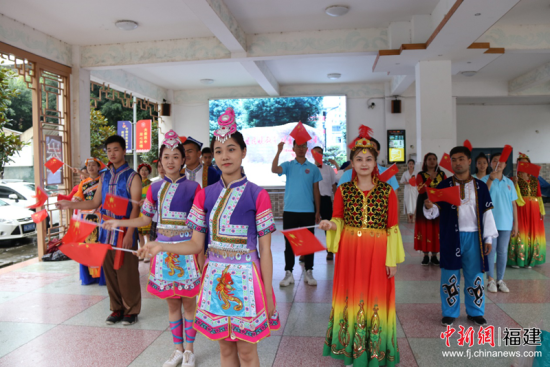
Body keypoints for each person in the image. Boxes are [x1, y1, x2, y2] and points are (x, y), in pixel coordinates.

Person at [138, 108, 280, 367]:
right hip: (214, 278)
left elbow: (266, 251)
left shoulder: (258, 195)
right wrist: (159, 245)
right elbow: (195, 244)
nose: (224, 156)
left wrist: (269, 293)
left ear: (243, 152)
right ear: (212, 156)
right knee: (225, 352)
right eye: (218, 151)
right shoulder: (204, 195)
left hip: (247, 279)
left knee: (247, 353)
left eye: (231, 149)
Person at [104, 130, 202, 367]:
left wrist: (201, 255)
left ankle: (189, 351)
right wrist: (120, 222)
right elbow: (145, 219)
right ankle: (176, 349)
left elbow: (201, 228)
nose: (171, 161)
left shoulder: (194, 189)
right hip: (163, 252)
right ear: (160, 161)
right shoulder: (155, 189)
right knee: (171, 303)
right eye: (166, 156)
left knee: (188, 303)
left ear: (183, 160)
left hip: (186, 253)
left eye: (176, 156)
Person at [319, 125, 405, 365]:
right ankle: (351, 348)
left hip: (379, 251)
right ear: (352, 163)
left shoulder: (387, 191)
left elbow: (392, 227)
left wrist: (392, 260)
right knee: (351, 293)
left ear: (376, 162)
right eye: (359, 159)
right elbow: (338, 220)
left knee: (376, 295)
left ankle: (376, 350)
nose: (364, 163)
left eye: (369, 159)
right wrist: (329, 225)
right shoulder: (344, 190)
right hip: (350, 251)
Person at [57, 135, 142, 326]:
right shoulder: (104, 176)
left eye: (116, 149)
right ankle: (117, 308)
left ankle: (131, 310)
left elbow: (136, 207)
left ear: (124, 151)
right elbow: (96, 202)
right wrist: (69, 204)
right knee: (110, 272)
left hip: (124, 230)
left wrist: (130, 233)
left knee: (127, 272)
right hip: (105, 230)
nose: (112, 153)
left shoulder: (132, 176)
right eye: (109, 150)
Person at [423, 146, 498, 327]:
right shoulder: (443, 186)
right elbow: (433, 214)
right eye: (454, 159)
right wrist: (428, 206)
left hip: (475, 237)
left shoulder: (480, 186)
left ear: (469, 161)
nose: (457, 163)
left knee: (475, 276)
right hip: (451, 237)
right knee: (449, 275)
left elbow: (487, 213)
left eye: (461, 159)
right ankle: (450, 312)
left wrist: (488, 239)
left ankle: (475, 312)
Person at [272, 138, 322, 287]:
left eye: (303, 145)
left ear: (307, 148)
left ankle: (309, 271)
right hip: (290, 211)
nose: (301, 148)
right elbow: (274, 169)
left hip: (308, 211)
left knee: (308, 244)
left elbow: (316, 190)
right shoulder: (288, 165)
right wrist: (278, 151)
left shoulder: (313, 168)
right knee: (289, 244)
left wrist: (318, 210)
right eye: (298, 146)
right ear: (293, 148)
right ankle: (288, 273)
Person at [481, 152, 518, 293]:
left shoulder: (509, 183)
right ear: (491, 163)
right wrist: (491, 179)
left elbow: (514, 205)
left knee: (502, 252)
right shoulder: (485, 179)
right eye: (495, 160)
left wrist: (516, 224)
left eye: (501, 161)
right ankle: (490, 280)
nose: (498, 163)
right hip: (490, 223)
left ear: (505, 164)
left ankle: (500, 280)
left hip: (506, 224)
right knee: (490, 252)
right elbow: (483, 195)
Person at [508, 153, 546, 268]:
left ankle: (531, 259)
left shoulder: (535, 181)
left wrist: (542, 210)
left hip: (534, 210)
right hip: (520, 208)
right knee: (520, 231)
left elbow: (539, 196)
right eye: (521, 163)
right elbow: (511, 195)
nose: (524, 165)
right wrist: (514, 183)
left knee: (533, 232)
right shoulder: (513, 179)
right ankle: (517, 260)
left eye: (526, 163)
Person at [72, 157, 106, 286]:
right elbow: (78, 198)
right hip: (86, 218)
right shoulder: (83, 183)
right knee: (87, 246)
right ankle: (89, 277)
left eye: (93, 165)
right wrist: (72, 203)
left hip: (100, 218)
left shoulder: (103, 181)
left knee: (99, 245)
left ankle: (101, 277)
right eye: (89, 165)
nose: (91, 167)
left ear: (98, 167)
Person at [414, 153, 446, 265]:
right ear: (425, 161)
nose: (432, 161)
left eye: (434, 159)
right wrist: (429, 179)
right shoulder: (420, 174)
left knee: (436, 228)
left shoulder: (442, 174)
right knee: (425, 228)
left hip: (437, 203)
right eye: (429, 159)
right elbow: (420, 190)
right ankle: (425, 255)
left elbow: (445, 188)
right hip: (424, 201)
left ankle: (434, 255)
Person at [312, 146, 338, 261]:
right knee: (309, 226)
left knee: (328, 226)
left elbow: (334, 186)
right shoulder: (309, 169)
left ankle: (330, 251)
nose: (317, 154)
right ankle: (306, 252)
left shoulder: (328, 169)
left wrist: (337, 201)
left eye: (319, 152)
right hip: (311, 200)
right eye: (315, 152)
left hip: (326, 200)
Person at [137, 162, 152, 262]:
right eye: (142, 170)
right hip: (138, 210)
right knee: (140, 234)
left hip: (146, 210)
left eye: (146, 170)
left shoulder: (151, 184)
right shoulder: (136, 183)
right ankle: (141, 253)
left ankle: (148, 253)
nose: (143, 172)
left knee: (147, 234)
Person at [149, 160, 166, 242]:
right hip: (156, 220)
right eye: (159, 166)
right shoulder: (154, 184)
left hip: (168, 223)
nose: (161, 169)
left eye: (163, 166)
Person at [400, 159, 418, 223]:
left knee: (414, 202)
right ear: (408, 164)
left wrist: (415, 182)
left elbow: (419, 181)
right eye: (409, 164)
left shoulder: (416, 173)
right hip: (407, 189)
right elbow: (401, 181)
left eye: (412, 164)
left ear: (414, 165)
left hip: (414, 189)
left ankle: (413, 217)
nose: (411, 165)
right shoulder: (405, 173)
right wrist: (406, 182)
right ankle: (408, 217)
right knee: (407, 202)